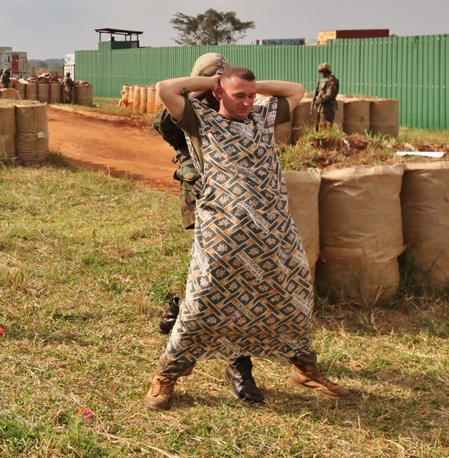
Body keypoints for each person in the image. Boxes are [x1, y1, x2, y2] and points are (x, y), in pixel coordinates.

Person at [145, 66, 352, 411]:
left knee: (294, 299)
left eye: (251, 95)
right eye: (239, 95)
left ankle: (304, 368)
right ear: (220, 94)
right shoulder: (200, 121)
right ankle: (167, 374)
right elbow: (165, 87)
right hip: (223, 233)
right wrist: (215, 82)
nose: (247, 102)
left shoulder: (262, 118)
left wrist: (246, 87)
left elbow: (295, 88)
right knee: (201, 303)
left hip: (273, 232)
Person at [151, 54, 263, 404]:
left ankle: (237, 361)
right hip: (206, 198)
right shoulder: (184, 112)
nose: (220, 82)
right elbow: (167, 121)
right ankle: (187, 323)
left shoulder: (240, 109)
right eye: (213, 78)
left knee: (233, 278)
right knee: (212, 274)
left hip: (242, 206)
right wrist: (204, 89)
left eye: (223, 76)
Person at [312, 63, 339, 128]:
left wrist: (319, 100)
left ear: (328, 71)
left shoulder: (331, 80)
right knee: (319, 126)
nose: (322, 73)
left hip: (328, 106)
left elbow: (330, 94)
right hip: (321, 106)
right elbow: (321, 92)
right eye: (321, 71)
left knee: (326, 126)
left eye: (324, 71)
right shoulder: (323, 80)